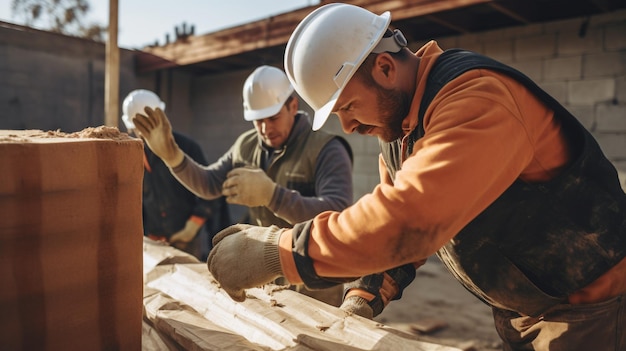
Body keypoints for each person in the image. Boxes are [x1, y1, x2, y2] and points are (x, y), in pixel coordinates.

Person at [201, 3, 626, 351]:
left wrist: (279, 252)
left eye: (348, 107)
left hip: (592, 310)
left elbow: (410, 220)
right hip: (529, 310)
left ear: (385, 67)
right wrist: (364, 296)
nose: (347, 127)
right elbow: (395, 235)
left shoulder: (476, 99)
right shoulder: (402, 132)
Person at [131, 66, 354, 307]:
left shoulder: (327, 149)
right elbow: (209, 184)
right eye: (258, 120)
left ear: (292, 106)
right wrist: (173, 157)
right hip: (266, 275)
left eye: (273, 118)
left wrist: (273, 196)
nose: (265, 128)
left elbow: (337, 214)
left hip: (314, 280)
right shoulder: (246, 146)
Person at [122, 89, 230, 261]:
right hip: (154, 240)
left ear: (163, 118)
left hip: (186, 239)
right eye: (139, 129)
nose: (144, 134)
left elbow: (210, 189)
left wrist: (192, 226)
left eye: (151, 125)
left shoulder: (187, 147)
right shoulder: (133, 156)